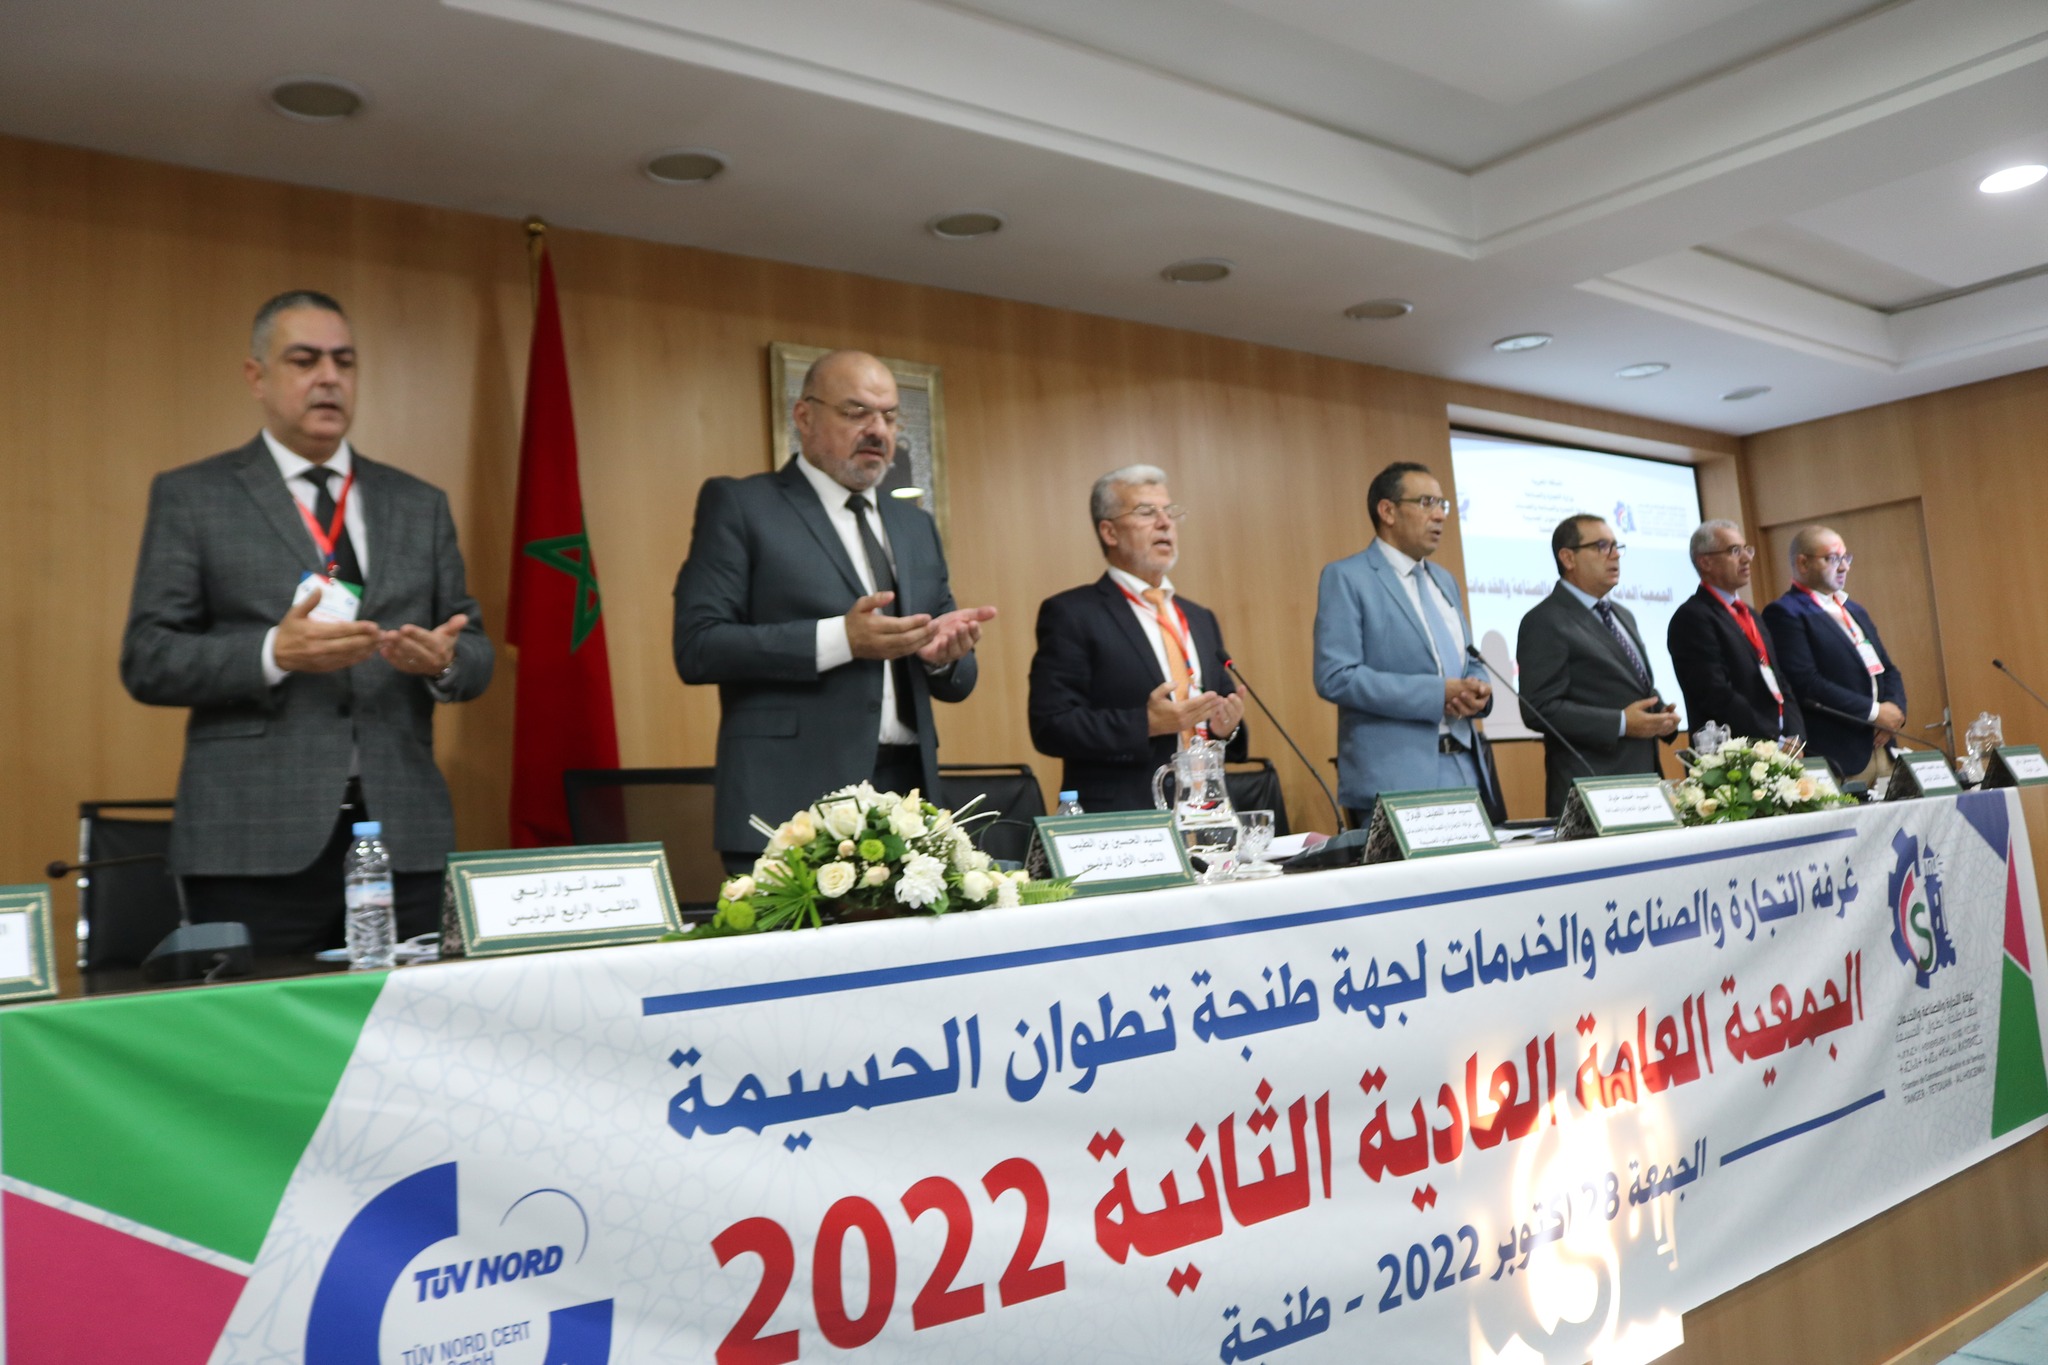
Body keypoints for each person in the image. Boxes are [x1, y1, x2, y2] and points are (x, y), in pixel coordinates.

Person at [120, 291, 493, 955]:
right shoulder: (195, 496)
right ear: (257, 376)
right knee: (258, 1023)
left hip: (404, 834)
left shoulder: (418, 503)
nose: (329, 377)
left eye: (344, 362)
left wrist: (443, 661)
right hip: (252, 841)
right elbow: (149, 656)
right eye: (305, 360)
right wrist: (273, 652)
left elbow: (476, 648)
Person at [673, 350, 996, 867]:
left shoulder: (914, 526)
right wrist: (841, 640)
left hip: (906, 800)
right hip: (788, 802)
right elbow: (698, 646)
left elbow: (956, 680)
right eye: (856, 413)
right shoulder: (742, 505)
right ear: (804, 417)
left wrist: (943, 656)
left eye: (889, 416)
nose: (878, 430)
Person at [1027, 466, 1246, 812]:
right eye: (1146, 512)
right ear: (1109, 532)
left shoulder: (1200, 618)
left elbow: (1223, 724)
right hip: (1125, 818)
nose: (1165, 523)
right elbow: (1051, 726)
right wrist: (1146, 724)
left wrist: (1225, 728)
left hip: (1206, 813)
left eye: (1169, 511)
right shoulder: (1073, 614)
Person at [1313, 461, 1493, 827]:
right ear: (1388, 511)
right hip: (1395, 779)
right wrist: (1436, 693)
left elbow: (1467, 658)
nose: (1440, 516)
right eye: (1427, 503)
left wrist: (1477, 686)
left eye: (1442, 505)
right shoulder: (1347, 577)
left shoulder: (1444, 581)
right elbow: (1336, 676)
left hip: (1464, 768)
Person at [1515, 514, 1680, 815]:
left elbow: (1630, 684)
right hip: (1592, 789)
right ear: (1568, 558)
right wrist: (1621, 723)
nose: (1615, 555)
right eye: (1602, 546)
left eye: (1617, 546)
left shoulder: (1622, 614)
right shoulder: (1545, 620)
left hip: (1644, 782)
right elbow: (1539, 708)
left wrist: (1660, 716)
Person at [1761, 525, 1906, 783]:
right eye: (1833, 559)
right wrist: (1874, 713)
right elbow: (1806, 682)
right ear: (1803, 563)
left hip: (1883, 747)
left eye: (1846, 558)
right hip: (1840, 755)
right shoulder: (1785, 613)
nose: (1844, 567)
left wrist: (1894, 712)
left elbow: (1888, 669)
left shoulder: (1854, 610)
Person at [1667, 520, 1806, 745]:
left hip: (1779, 747)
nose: (1747, 558)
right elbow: (1715, 694)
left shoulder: (1752, 615)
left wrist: (1795, 736)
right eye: (1734, 551)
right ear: (1705, 562)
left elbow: (1779, 681)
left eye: (1746, 549)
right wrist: (1774, 739)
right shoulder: (1692, 618)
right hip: (1733, 752)